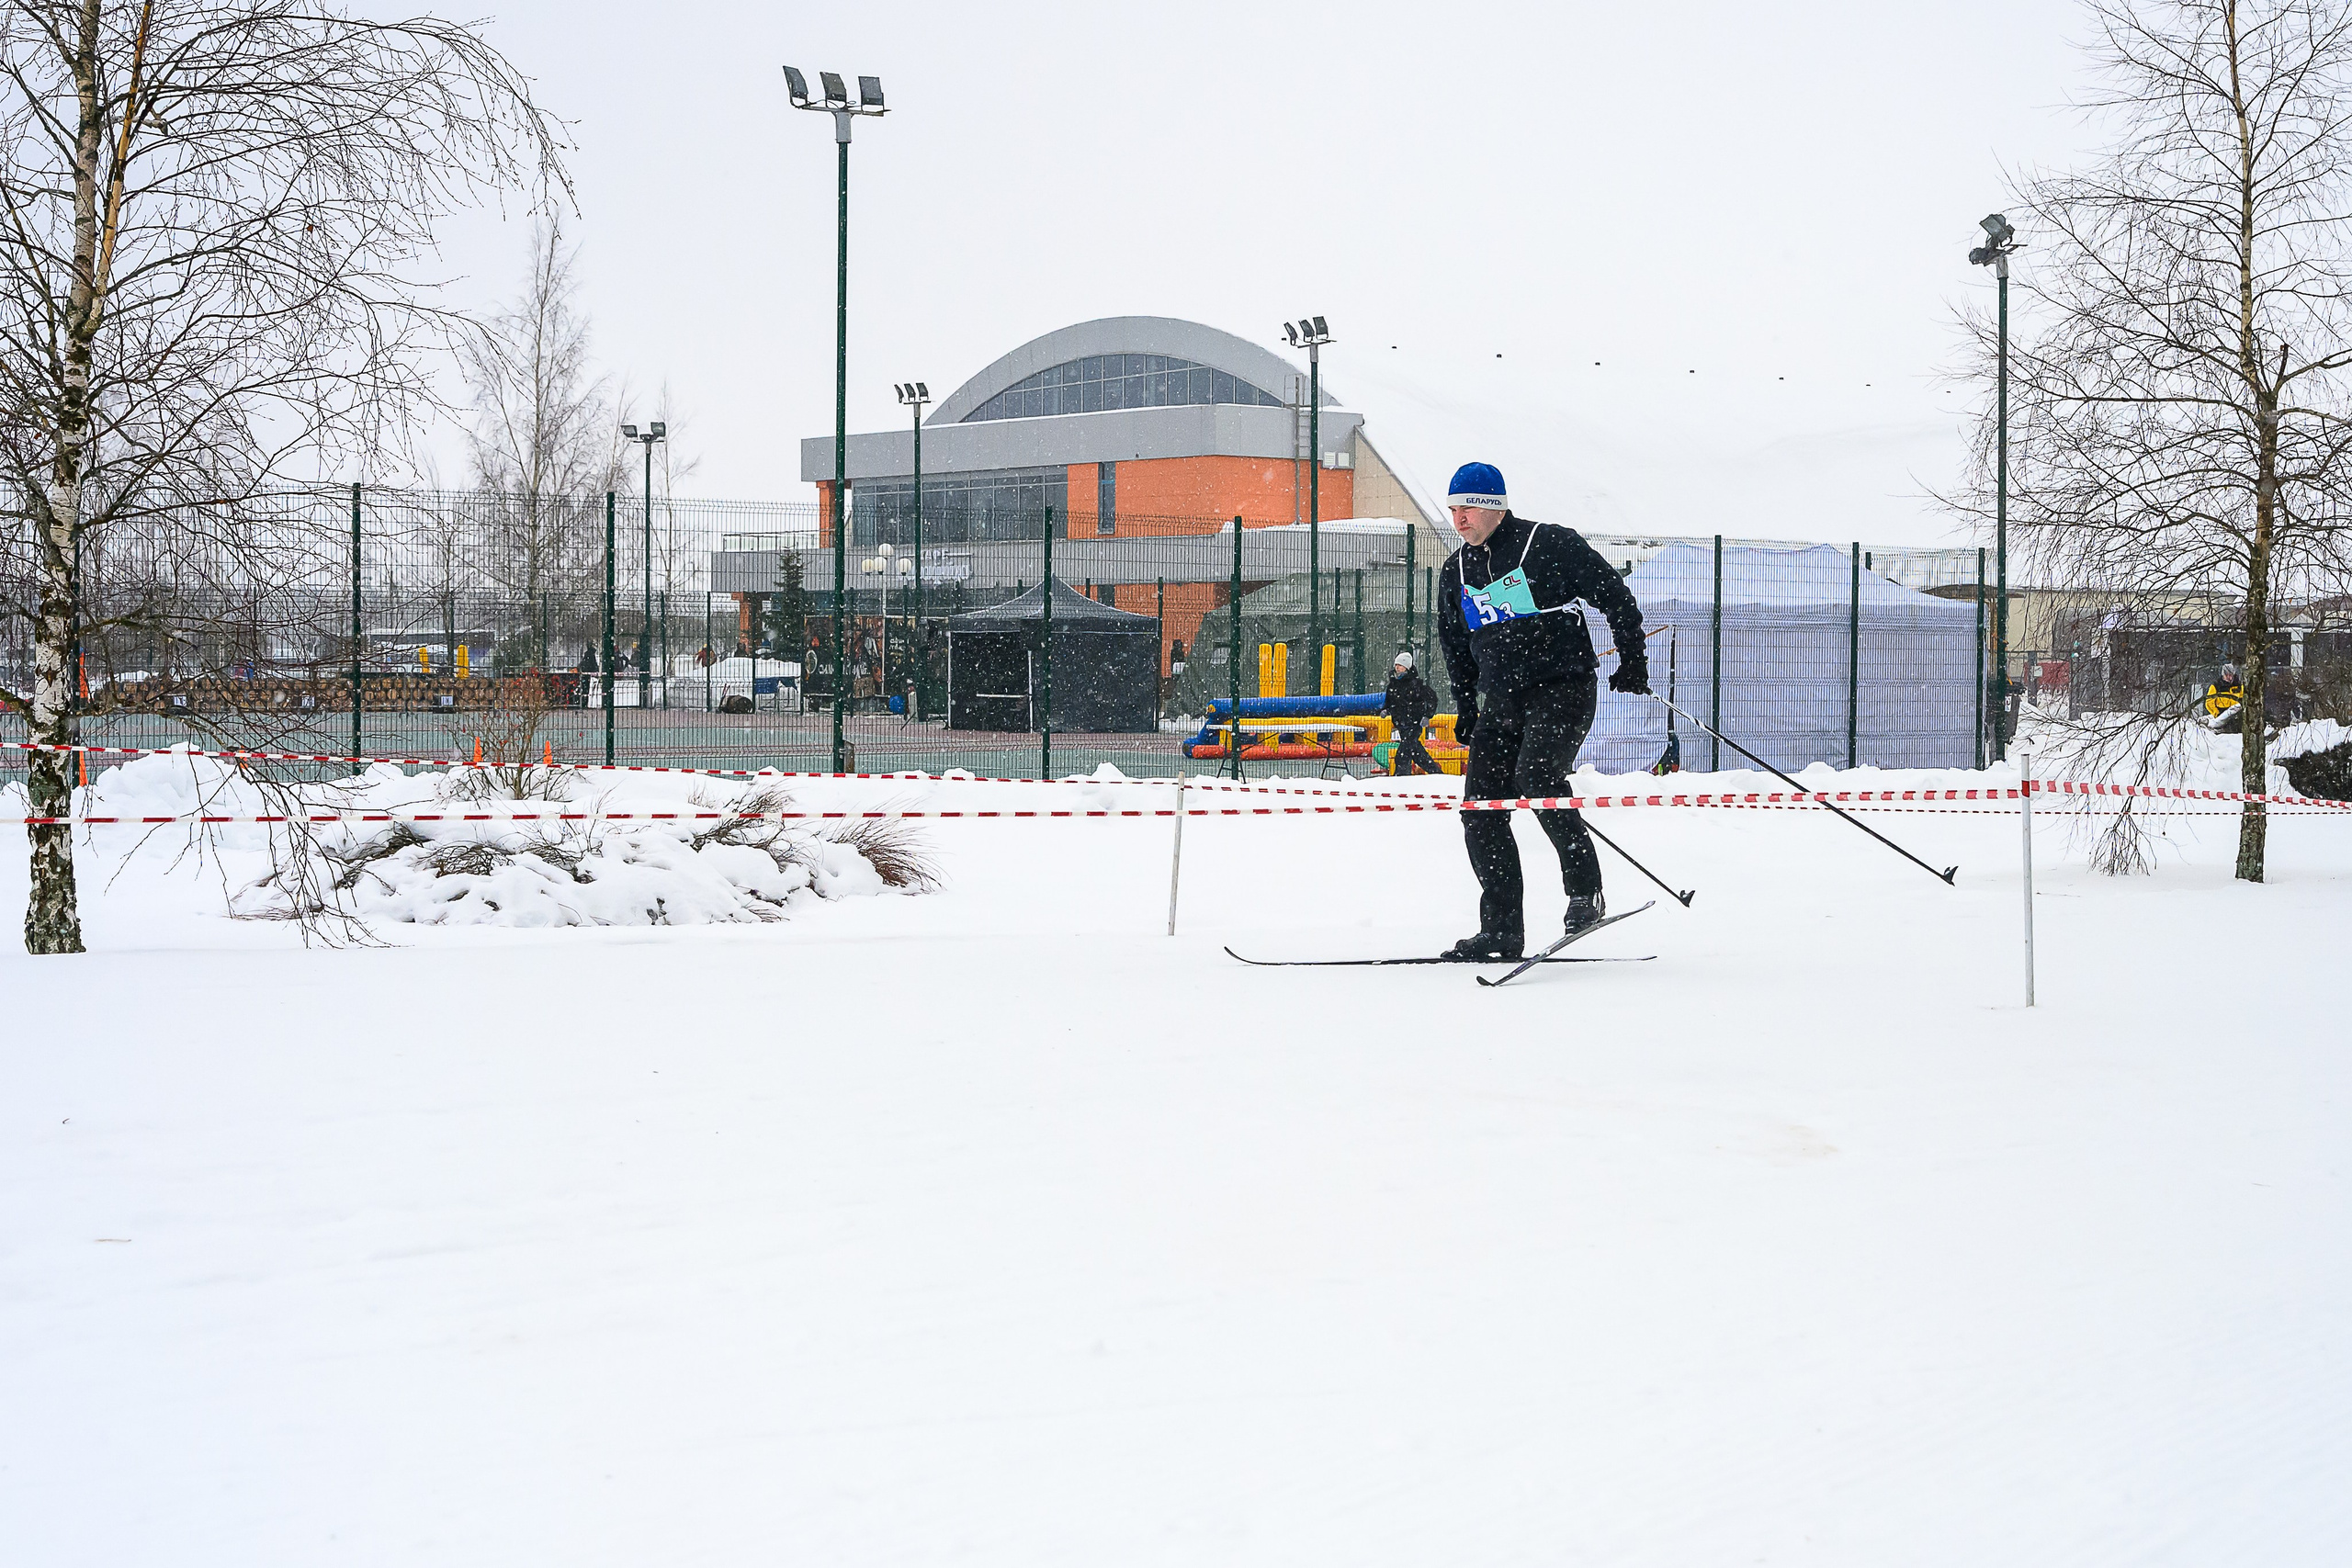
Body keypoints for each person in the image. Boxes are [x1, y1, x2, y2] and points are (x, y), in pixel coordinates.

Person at [1436, 461, 1647, 960]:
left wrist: (1633, 659)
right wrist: (1466, 704)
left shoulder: (1547, 544)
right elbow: (1455, 642)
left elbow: (1614, 597)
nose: (1458, 518)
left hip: (1562, 686)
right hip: (1504, 699)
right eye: (1452, 509)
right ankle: (1502, 931)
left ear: (1492, 505)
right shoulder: (1456, 569)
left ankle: (1584, 891)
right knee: (1480, 809)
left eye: (1465, 507)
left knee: (1538, 778)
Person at [1384, 650, 1441, 775]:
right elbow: (1390, 702)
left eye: (1400, 665)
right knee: (1416, 751)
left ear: (1407, 667)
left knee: (1403, 754)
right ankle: (1437, 773)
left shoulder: (1416, 685)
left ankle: (1401, 777)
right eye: (1396, 665)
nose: (1397, 667)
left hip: (1414, 723)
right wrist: (1386, 710)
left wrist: (1427, 715)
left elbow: (1432, 699)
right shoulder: (1393, 685)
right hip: (1401, 723)